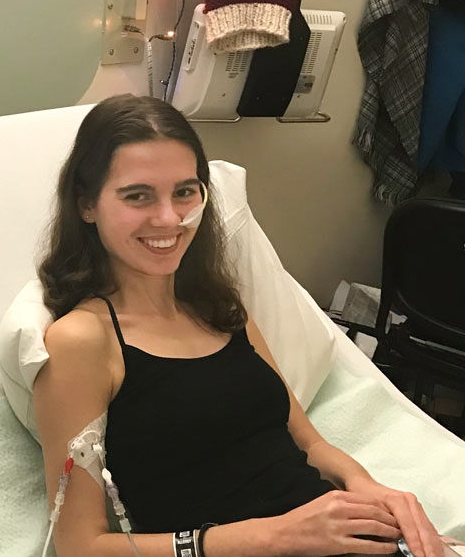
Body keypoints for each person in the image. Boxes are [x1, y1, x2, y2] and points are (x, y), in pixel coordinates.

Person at [34, 94, 446, 557]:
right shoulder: (84, 341)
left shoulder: (221, 311)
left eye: (185, 192)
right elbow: (80, 545)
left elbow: (306, 441)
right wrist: (277, 536)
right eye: (138, 196)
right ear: (87, 205)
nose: (170, 218)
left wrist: (368, 488)